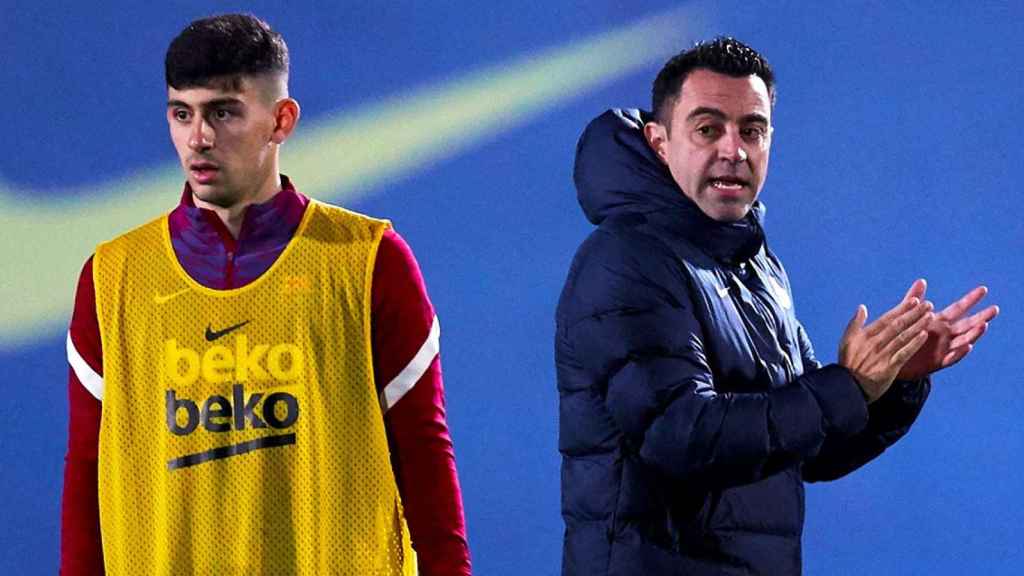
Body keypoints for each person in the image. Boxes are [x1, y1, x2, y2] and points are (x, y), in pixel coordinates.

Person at [556, 37, 997, 575]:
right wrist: (846, 387)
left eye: (752, 130)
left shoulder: (756, 266)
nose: (733, 151)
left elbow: (806, 446)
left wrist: (890, 382)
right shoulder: (626, 259)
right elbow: (679, 434)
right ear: (660, 142)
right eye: (707, 128)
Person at [60, 14, 471, 575]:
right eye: (182, 114)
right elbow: (87, 472)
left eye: (222, 112)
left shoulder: (369, 261)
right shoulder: (113, 278)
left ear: (281, 120)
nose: (198, 137)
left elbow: (424, 456)